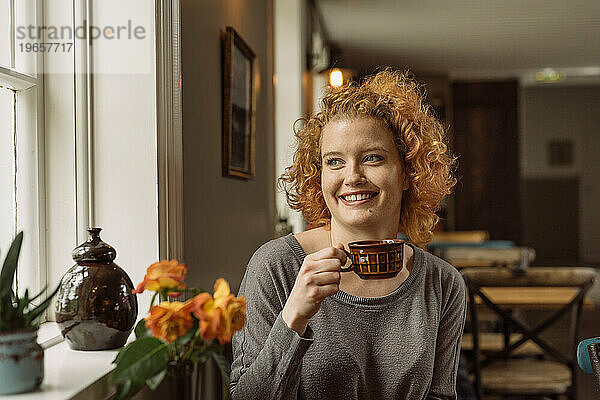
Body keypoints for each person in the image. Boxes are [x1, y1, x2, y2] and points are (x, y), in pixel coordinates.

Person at [230, 69, 467, 400]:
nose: (352, 176)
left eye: (372, 158)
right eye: (334, 162)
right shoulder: (275, 266)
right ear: (319, 176)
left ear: (408, 172)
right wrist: (294, 315)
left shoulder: (442, 283)